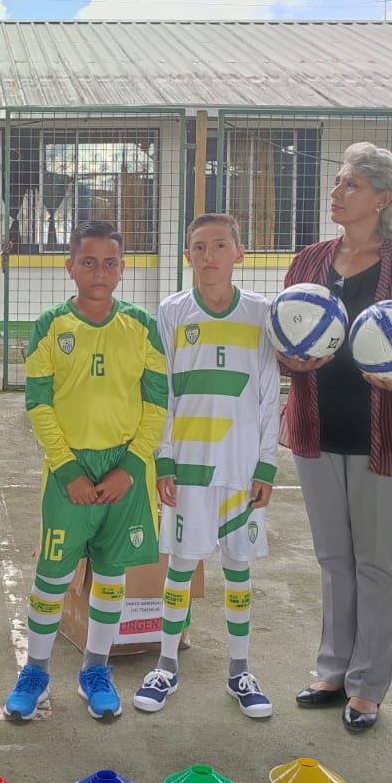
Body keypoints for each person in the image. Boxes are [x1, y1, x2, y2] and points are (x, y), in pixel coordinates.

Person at [280, 142, 392, 732]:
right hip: (318, 429)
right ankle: (332, 670)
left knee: (377, 565)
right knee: (334, 559)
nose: (336, 192)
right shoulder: (308, 261)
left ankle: (368, 686)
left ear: (383, 199)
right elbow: (284, 337)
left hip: (388, 439)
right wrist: (288, 361)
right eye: (337, 182)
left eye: (350, 184)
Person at [5, 219, 167, 723]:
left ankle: (95, 669)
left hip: (125, 470)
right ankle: (35, 672)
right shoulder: (51, 325)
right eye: (89, 262)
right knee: (52, 575)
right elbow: (38, 403)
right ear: (70, 266)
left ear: (123, 268)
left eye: (110, 263)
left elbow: (157, 403)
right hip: (68, 470)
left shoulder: (141, 325)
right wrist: (68, 468)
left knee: (112, 575)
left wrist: (131, 466)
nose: (100, 272)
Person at [134, 213, 279, 718]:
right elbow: (164, 391)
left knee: (238, 568)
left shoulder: (262, 314)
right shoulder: (172, 311)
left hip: (241, 465)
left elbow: (269, 396)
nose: (209, 255)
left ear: (240, 252)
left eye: (220, 245)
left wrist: (267, 465)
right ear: (187, 256)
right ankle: (166, 666)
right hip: (189, 466)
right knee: (179, 565)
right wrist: (164, 458)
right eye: (199, 246)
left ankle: (240, 671)